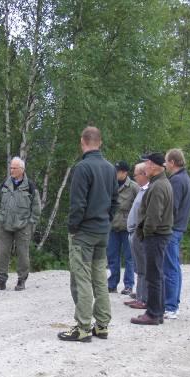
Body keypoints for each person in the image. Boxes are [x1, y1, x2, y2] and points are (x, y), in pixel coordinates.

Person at [58, 127, 118, 342]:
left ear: (82, 141)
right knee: (100, 278)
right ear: (99, 142)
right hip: (102, 231)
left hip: (84, 233)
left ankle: (82, 327)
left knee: (82, 279)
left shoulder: (83, 168)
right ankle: (101, 325)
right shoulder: (111, 169)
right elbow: (114, 202)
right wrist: (106, 221)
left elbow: (77, 204)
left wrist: (73, 228)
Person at [131, 152, 173, 325]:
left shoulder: (158, 186)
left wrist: (145, 234)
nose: (145, 166)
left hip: (155, 236)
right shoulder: (162, 183)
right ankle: (158, 312)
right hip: (159, 235)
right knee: (157, 274)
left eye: (148, 163)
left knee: (153, 275)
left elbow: (154, 215)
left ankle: (153, 314)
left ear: (155, 166)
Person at [0, 157, 41, 291]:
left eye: (14, 168)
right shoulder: (5, 184)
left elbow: (36, 208)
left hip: (23, 226)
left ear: (22, 170)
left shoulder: (30, 186)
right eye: (11, 168)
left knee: (23, 253)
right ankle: (1, 281)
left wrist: (30, 222)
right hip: (4, 224)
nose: (11, 170)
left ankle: (21, 280)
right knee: (2, 252)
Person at [163, 148, 190, 319]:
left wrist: (162, 225)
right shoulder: (185, 178)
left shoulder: (176, 181)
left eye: (167, 161)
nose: (165, 164)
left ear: (173, 162)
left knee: (170, 268)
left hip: (172, 229)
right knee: (174, 266)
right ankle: (174, 303)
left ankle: (171, 306)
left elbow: (171, 207)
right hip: (179, 228)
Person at [107, 161, 139, 294]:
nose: (115, 173)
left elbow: (140, 205)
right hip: (113, 226)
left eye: (118, 171)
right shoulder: (110, 184)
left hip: (128, 228)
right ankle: (112, 284)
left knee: (129, 257)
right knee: (112, 256)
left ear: (124, 172)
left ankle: (128, 285)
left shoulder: (133, 187)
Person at [124, 162, 149, 310]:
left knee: (142, 267)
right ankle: (139, 296)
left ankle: (143, 299)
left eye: (136, 175)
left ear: (143, 174)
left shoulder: (148, 191)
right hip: (133, 232)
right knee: (138, 267)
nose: (134, 177)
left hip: (139, 233)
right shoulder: (141, 190)